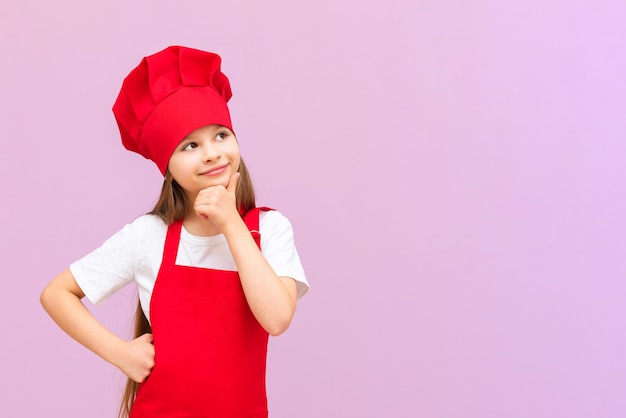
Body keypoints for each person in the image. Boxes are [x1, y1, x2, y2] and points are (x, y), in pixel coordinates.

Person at [40, 45, 309, 418]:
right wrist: (121, 354)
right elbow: (56, 294)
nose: (212, 153)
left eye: (220, 135)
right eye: (190, 145)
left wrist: (231, 224)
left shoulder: (270, 229)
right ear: (168, 168)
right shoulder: (148, 235)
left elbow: (277, 318)